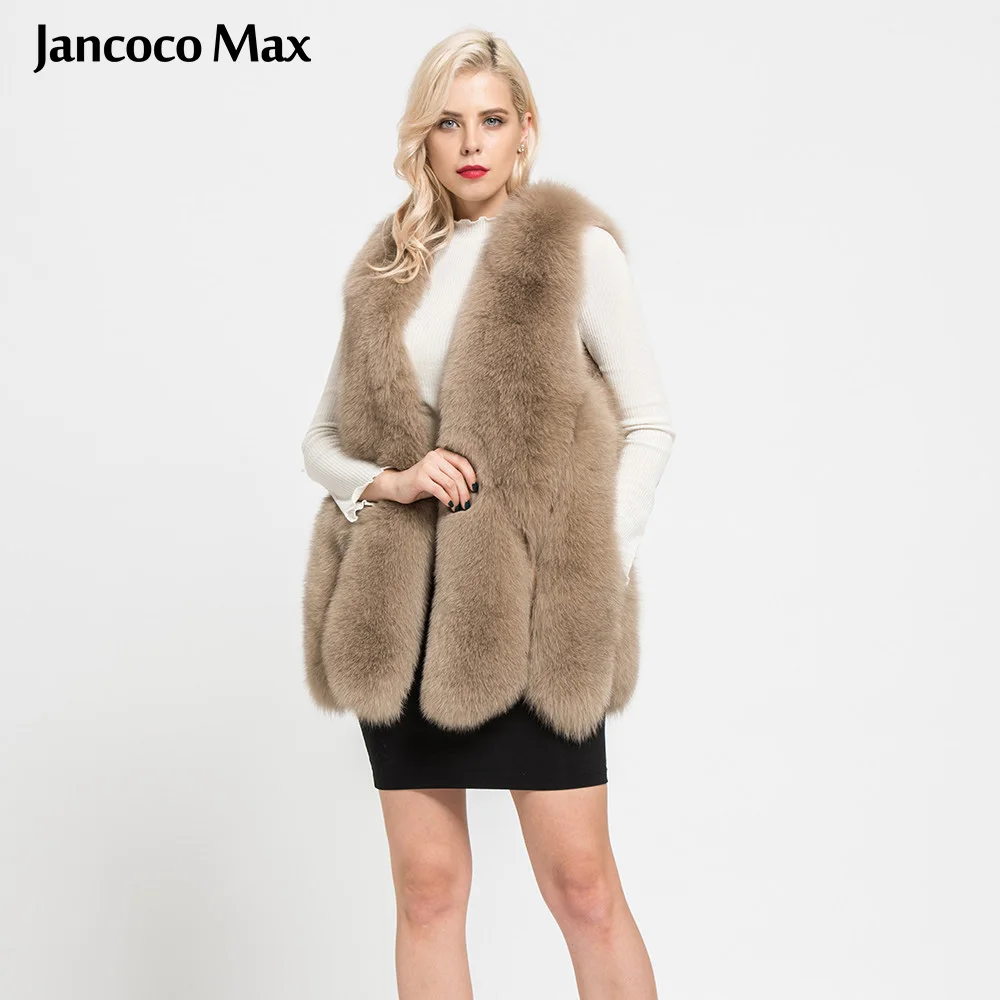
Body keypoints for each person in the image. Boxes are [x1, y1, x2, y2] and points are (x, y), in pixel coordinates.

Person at [301, 28, 675, 1000]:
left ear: (525, 130)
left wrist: (594, 570)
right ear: (422, 139)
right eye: (448, 123)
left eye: (492, 120)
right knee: (427, 892)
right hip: (405, 619)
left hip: (535, 616)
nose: (471, 143)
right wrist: (390, 481)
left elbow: (650, 423)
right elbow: (322, 441)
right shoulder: (390, 266)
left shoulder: (571, 249)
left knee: (583, 888)